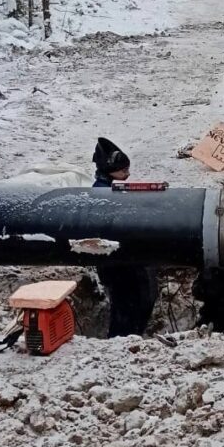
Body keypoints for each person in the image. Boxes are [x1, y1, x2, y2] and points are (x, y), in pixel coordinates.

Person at [92, 137, 159, 337]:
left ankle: (127, 336)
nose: (127, 175)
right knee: (128, 305)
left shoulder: (106, 188)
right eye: (123, 171)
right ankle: (122, 340)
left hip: (120, 261)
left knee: (132, 303)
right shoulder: (103, 193)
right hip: (117, 263)